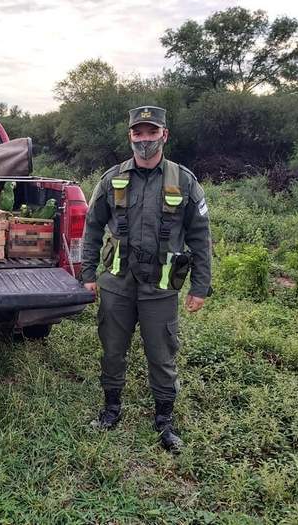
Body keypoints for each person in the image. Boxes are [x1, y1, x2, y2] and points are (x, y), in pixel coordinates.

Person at [81, 106, 212, 453]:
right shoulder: (111, 179)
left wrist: (200, 287)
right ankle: (111, 411)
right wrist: (87, 274)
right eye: (138, 133)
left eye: (151, 132)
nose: (144, 140)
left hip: (161, 286)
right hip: (117, 284)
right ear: (130, 136)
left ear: (164, 135)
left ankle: (164, 422)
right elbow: (92, 228)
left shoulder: (184, 180)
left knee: (162, 354)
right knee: (112, 350)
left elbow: (200, 235)